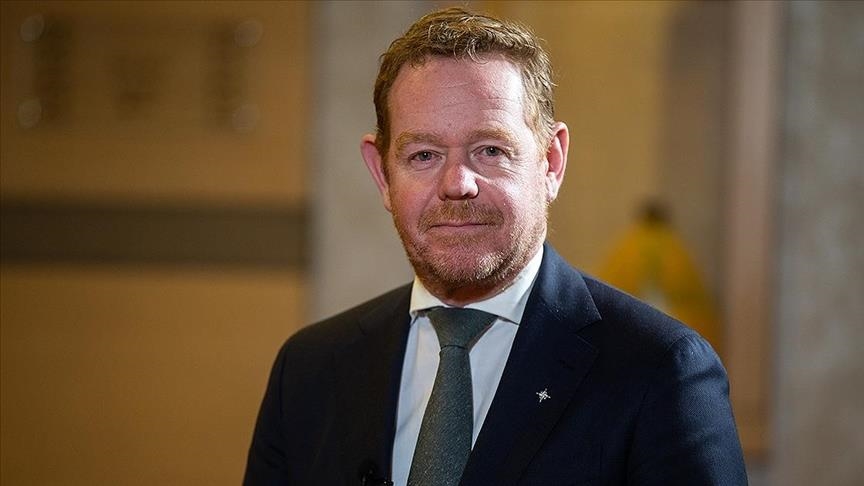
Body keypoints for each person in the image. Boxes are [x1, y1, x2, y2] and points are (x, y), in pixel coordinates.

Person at [244, 7, 747, 486]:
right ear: (382, 175)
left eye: (490, 150)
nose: (457, 184)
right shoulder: (309, 371)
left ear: (551, 163)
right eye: (423, 155)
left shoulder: (659, 370)